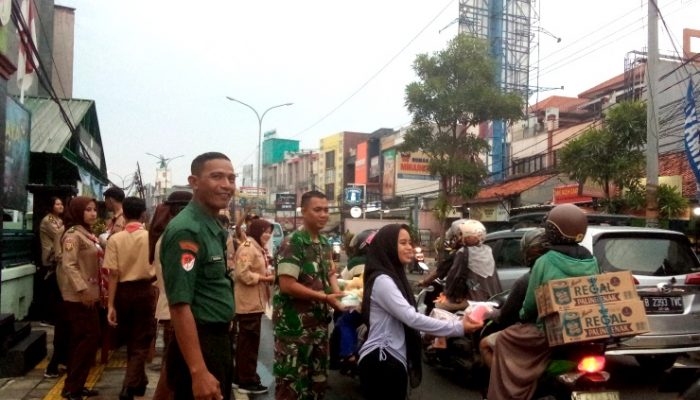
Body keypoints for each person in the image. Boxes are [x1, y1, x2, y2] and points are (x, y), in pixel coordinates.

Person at [358, 224, 483, 400]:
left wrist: (426, 333)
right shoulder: (383, 280)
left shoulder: (393, 276)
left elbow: (404, 320)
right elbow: (411, 318)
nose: (409, 247)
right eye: (403, 242)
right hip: (382, 361)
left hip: (391, 358)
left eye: (410, 242)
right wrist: (459, 327)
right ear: (388, 246)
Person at [487, 204, 599, 400]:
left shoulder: (545, 261)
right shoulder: (591, 260)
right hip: (582, 328)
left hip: (546, 331)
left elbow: (530, 304)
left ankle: (508, 393)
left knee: (503, 339)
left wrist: (522, 316)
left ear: (552, 230)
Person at [161, 152, 236, 400]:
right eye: (217, 177)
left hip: (216, 341)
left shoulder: (211, 226)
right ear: (194, 182)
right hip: (201, 345)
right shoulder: (187, 230)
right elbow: (180, 305)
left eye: (231, 178)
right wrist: (198, 371)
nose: (226, 185)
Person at [272, 190, 345, 400]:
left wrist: (340, 296)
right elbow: (287, 285)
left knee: (317, 384)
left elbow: (329, 274)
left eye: (326, 210)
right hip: (294, 329)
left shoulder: (324, 243)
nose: (323, 214)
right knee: (292, 386)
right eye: (317, 210)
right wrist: (324, 297)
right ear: (304, 212)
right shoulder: (293, 242)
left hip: (319, 327)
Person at [104, 197, 157, 400]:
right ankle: (128, 387)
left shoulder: (115, 239)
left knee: (132, 341)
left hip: (123, 294)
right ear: (143, 214)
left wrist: (110, 304)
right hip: (145, 291)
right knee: (141, 341)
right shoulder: (151, 237)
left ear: (123, 214)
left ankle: (138, 382)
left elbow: (113, 274)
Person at [479, 227, 548, 368]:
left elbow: (515, 314)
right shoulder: (587, 261)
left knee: (485, 344)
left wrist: (487, 313)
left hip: (540, 332)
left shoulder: (528, 279)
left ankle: (502, 386)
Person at [56, 196, 102, 400]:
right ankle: (72, 388)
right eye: (88, 210)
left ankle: (74, 385)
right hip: (78, 297)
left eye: (94, 209)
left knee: (83, 341)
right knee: (87, 340)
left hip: (89, 295)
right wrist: (82, 290)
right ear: (77, 212)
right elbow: (69, 265)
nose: (93, 213)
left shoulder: (87, 233)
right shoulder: (73, 235)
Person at [150, 191, 193, 400]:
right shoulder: (177, 237)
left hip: (171, 311)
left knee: (172, 370)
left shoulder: (168, 235)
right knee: (174, 374)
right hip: (177, 312)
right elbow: (184, 281)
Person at [232, 219, 274, 394]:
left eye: (269, 232)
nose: (268, 235)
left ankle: (240, 376)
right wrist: (264, 278)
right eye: (265, 231)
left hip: (255, 301)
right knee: (249, 343)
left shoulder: (257, 247)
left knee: (247, 342)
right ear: (256, 231)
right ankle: (247, 380)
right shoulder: (248, 247)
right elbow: (242, 273)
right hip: (248, 302)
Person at [437, 219, 501, 311]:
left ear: (468, 236)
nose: (459, 237)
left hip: (475, 302)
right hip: (492, 299)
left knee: (439, 305)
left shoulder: (463, 252)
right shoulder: (488, 250)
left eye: (461, 234)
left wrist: (447, 293)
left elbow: (454, 277)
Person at [39, 196, 68, 378]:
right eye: (57, 204)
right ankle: (56, 363)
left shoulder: (60, 222)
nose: (60, 206)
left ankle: (61, 359)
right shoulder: (51, 222)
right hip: (52, 263)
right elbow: (59, 235)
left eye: (61, 204)